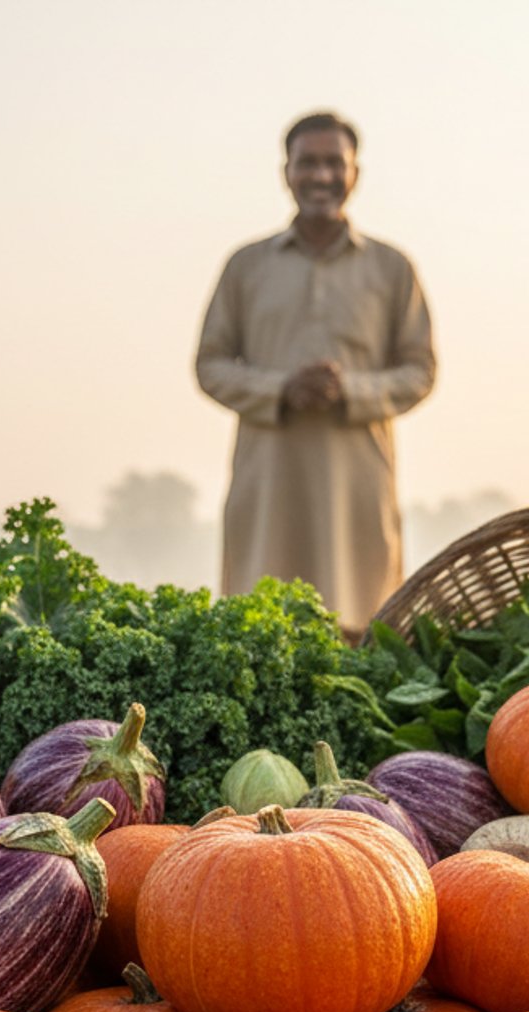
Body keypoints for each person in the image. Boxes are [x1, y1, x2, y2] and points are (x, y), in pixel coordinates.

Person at [195, 111, 436, 638]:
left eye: (334, 163)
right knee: (258, 631)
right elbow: (210, 364)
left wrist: (349, 390)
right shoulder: (247, 266)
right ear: (287, 172)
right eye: (309, 163)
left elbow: (420, 371)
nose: (322, 176)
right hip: (267, 480)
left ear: (355, 174)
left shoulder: (392, 268)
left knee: (360, 630)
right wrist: (280, 388)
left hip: (357, 483)